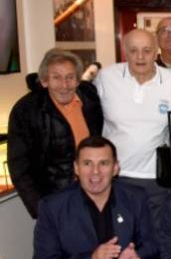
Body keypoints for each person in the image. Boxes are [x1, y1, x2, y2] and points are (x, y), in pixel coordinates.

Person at [95, 29, 171, 228]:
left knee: (156, 239)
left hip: (155, 181)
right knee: (118, 237)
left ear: (156, 52)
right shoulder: (106, 77)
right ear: (125, 52)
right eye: (133, 51)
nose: (140, 57)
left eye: (147, 50)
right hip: (115, 177)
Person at [8, 48, 103, 219]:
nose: (64, 85)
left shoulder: (89, 99)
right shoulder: (27, 110)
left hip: (94, 197)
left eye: (70, 77)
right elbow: (19, 168)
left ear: (77, 80)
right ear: (45, 81)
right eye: (56, 77)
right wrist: (41, 210)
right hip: (55, 203)